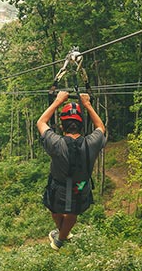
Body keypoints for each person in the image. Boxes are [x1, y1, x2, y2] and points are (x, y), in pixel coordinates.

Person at [36, 90, 106, 250]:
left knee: (55, 209)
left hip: (58, 186)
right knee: (73, 210)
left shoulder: (56, 143)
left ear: (62, 126)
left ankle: (60, 238)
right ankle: (63, 234)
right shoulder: (92, 142)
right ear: (82, 126)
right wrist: (87, 104)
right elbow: (101, 127)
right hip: (80, 185)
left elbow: (41, 122)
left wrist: (58, 101)